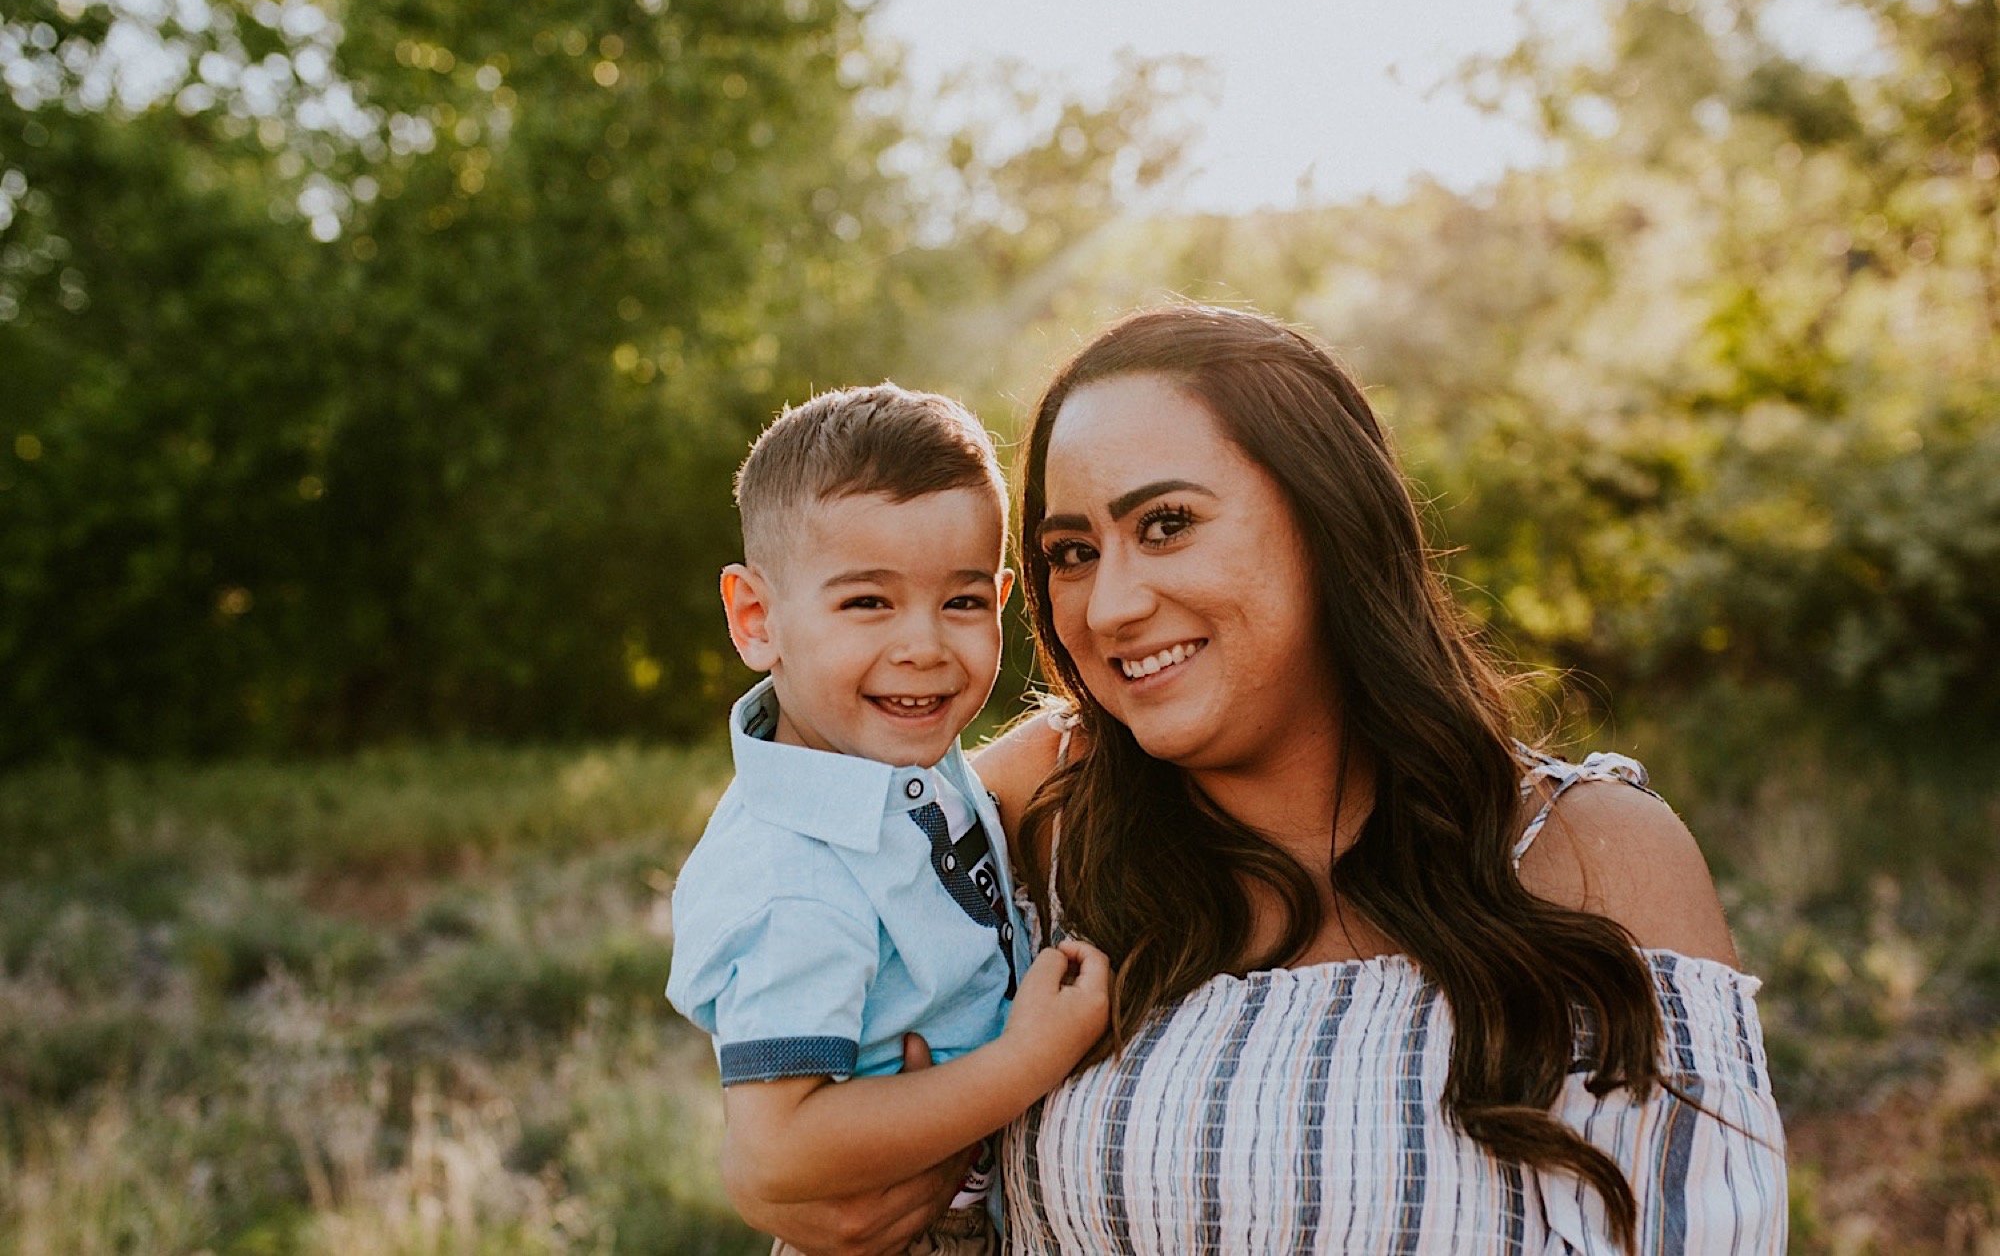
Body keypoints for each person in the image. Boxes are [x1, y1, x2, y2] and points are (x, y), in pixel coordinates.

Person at [730, 306, 1786, 1255]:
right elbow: (794, 1025)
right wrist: (797, 1176)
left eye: (1166, 524)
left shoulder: (1591, 852)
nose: (1109, 607)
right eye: (1070, 550)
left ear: (1326, 520)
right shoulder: (1023, 815)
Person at [666, 384, 1112, 1256]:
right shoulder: (793, 876)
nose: (924, 646)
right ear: (757, 619)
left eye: (962, 601)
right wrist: (1024, 1063)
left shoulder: (899, 762)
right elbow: (783, 1148)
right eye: (868, 602)